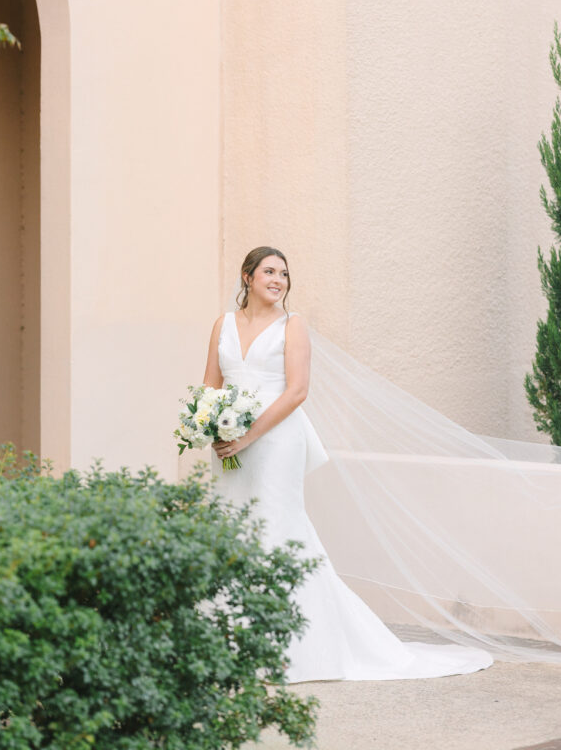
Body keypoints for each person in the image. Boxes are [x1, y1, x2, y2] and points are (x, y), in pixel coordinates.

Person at [201, 245, 494, 682]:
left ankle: (290, 645)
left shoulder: (292, 327)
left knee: (277, 528)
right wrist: (212, 429)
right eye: (268, 272)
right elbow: (210, 384)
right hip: (229, 444)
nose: (278, 280)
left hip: (275, 439)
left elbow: (297, 391)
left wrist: (249, 435)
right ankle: (227, 639)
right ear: (247, 277)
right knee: (231, 528)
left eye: (284, 273)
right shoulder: (222, 325)